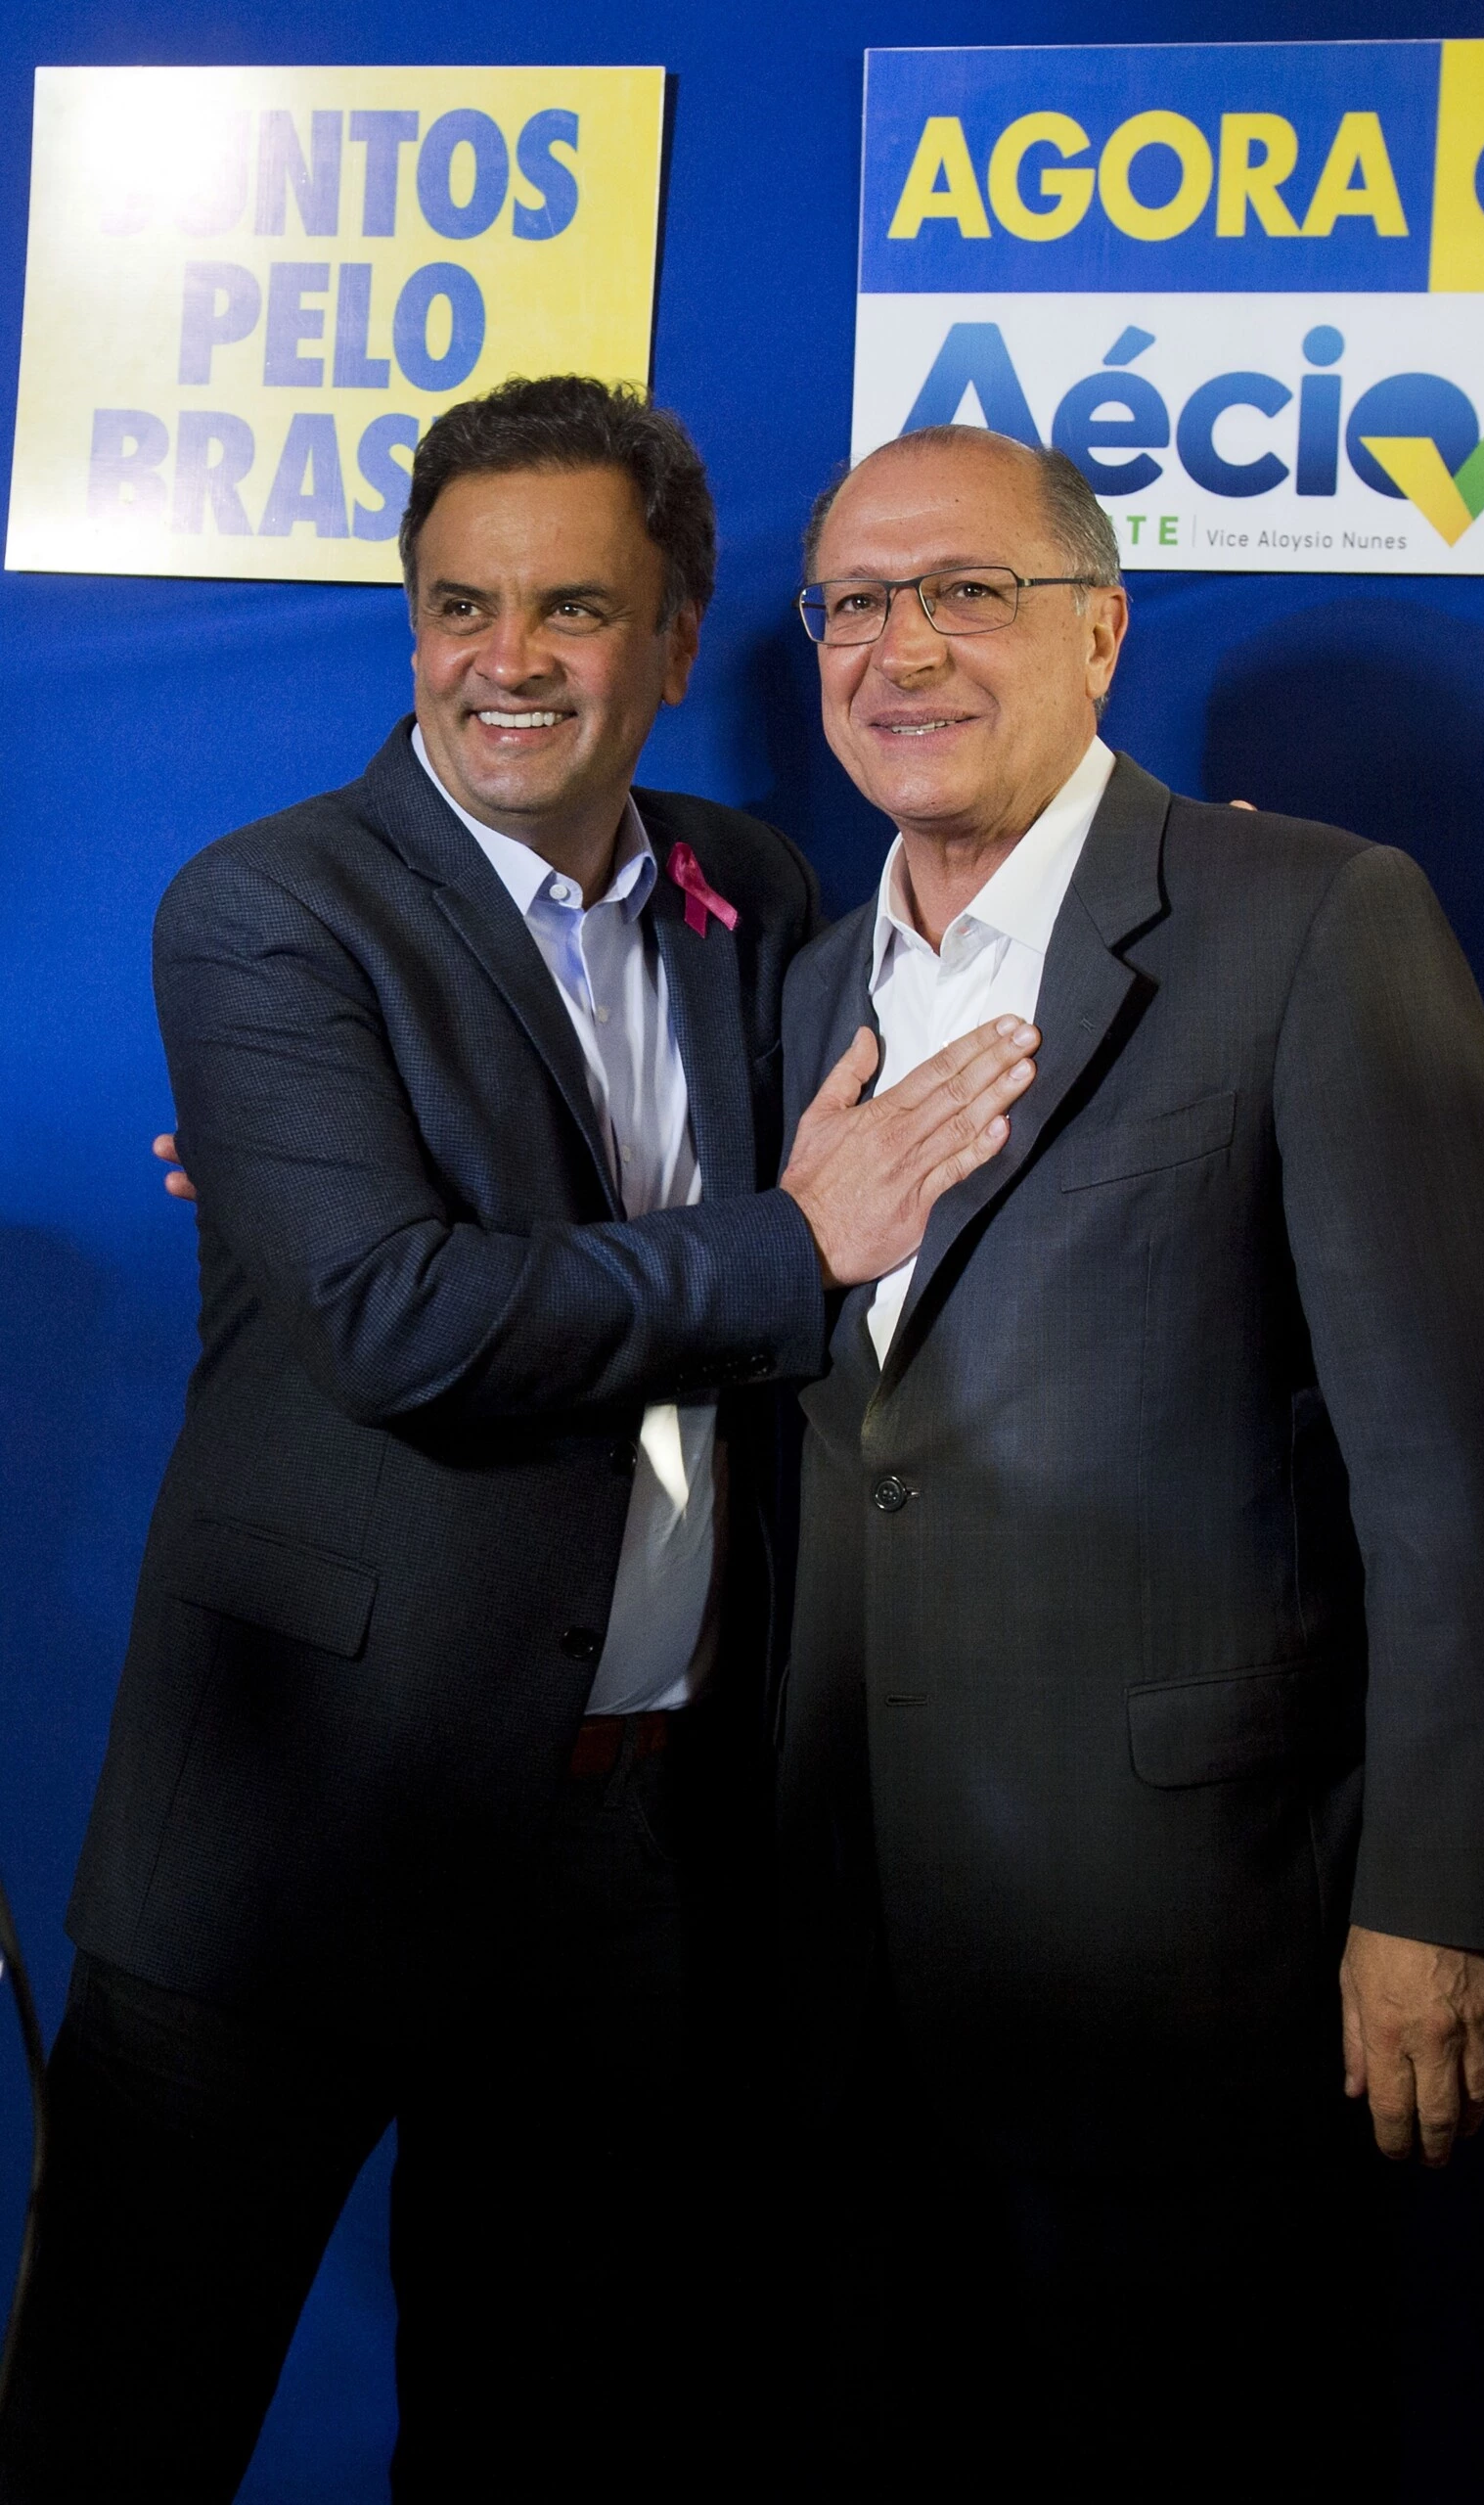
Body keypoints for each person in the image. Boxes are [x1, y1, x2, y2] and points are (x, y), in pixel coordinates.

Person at [0, 379, 1040, 2504]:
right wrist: (783, 1243)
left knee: (545, 2440)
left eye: (575, 608)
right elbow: (393, 1317)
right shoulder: (271, 905)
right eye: (459, 606)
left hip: (624, 1851)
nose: (508, 661)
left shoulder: (748, 884)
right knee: (118, 2435)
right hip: (294, 1840)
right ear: (409, 626)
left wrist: (442, 1216)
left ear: (675, 637)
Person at [772, 424, 1484, 2487]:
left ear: (1102, 631)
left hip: (1192, 1964)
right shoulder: (794, 989)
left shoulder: (1307, 917)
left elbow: (1462, 1462)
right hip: (843, 1970)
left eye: (971, 590)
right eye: (857, 600)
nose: (905, 646)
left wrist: (1441, 1899)